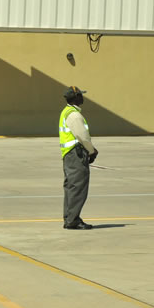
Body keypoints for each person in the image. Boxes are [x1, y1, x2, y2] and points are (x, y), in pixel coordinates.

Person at [59, 85, 98, 230]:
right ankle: (73, 220)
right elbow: (82, 136)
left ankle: (69, 217)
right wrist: (91, 151)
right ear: (76, 98)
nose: (82, 97)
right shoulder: (74, 115)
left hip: (69, 154)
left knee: (71, 187)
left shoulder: (66, 112)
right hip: (76, 154)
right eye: (80, 95)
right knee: (78, 187)